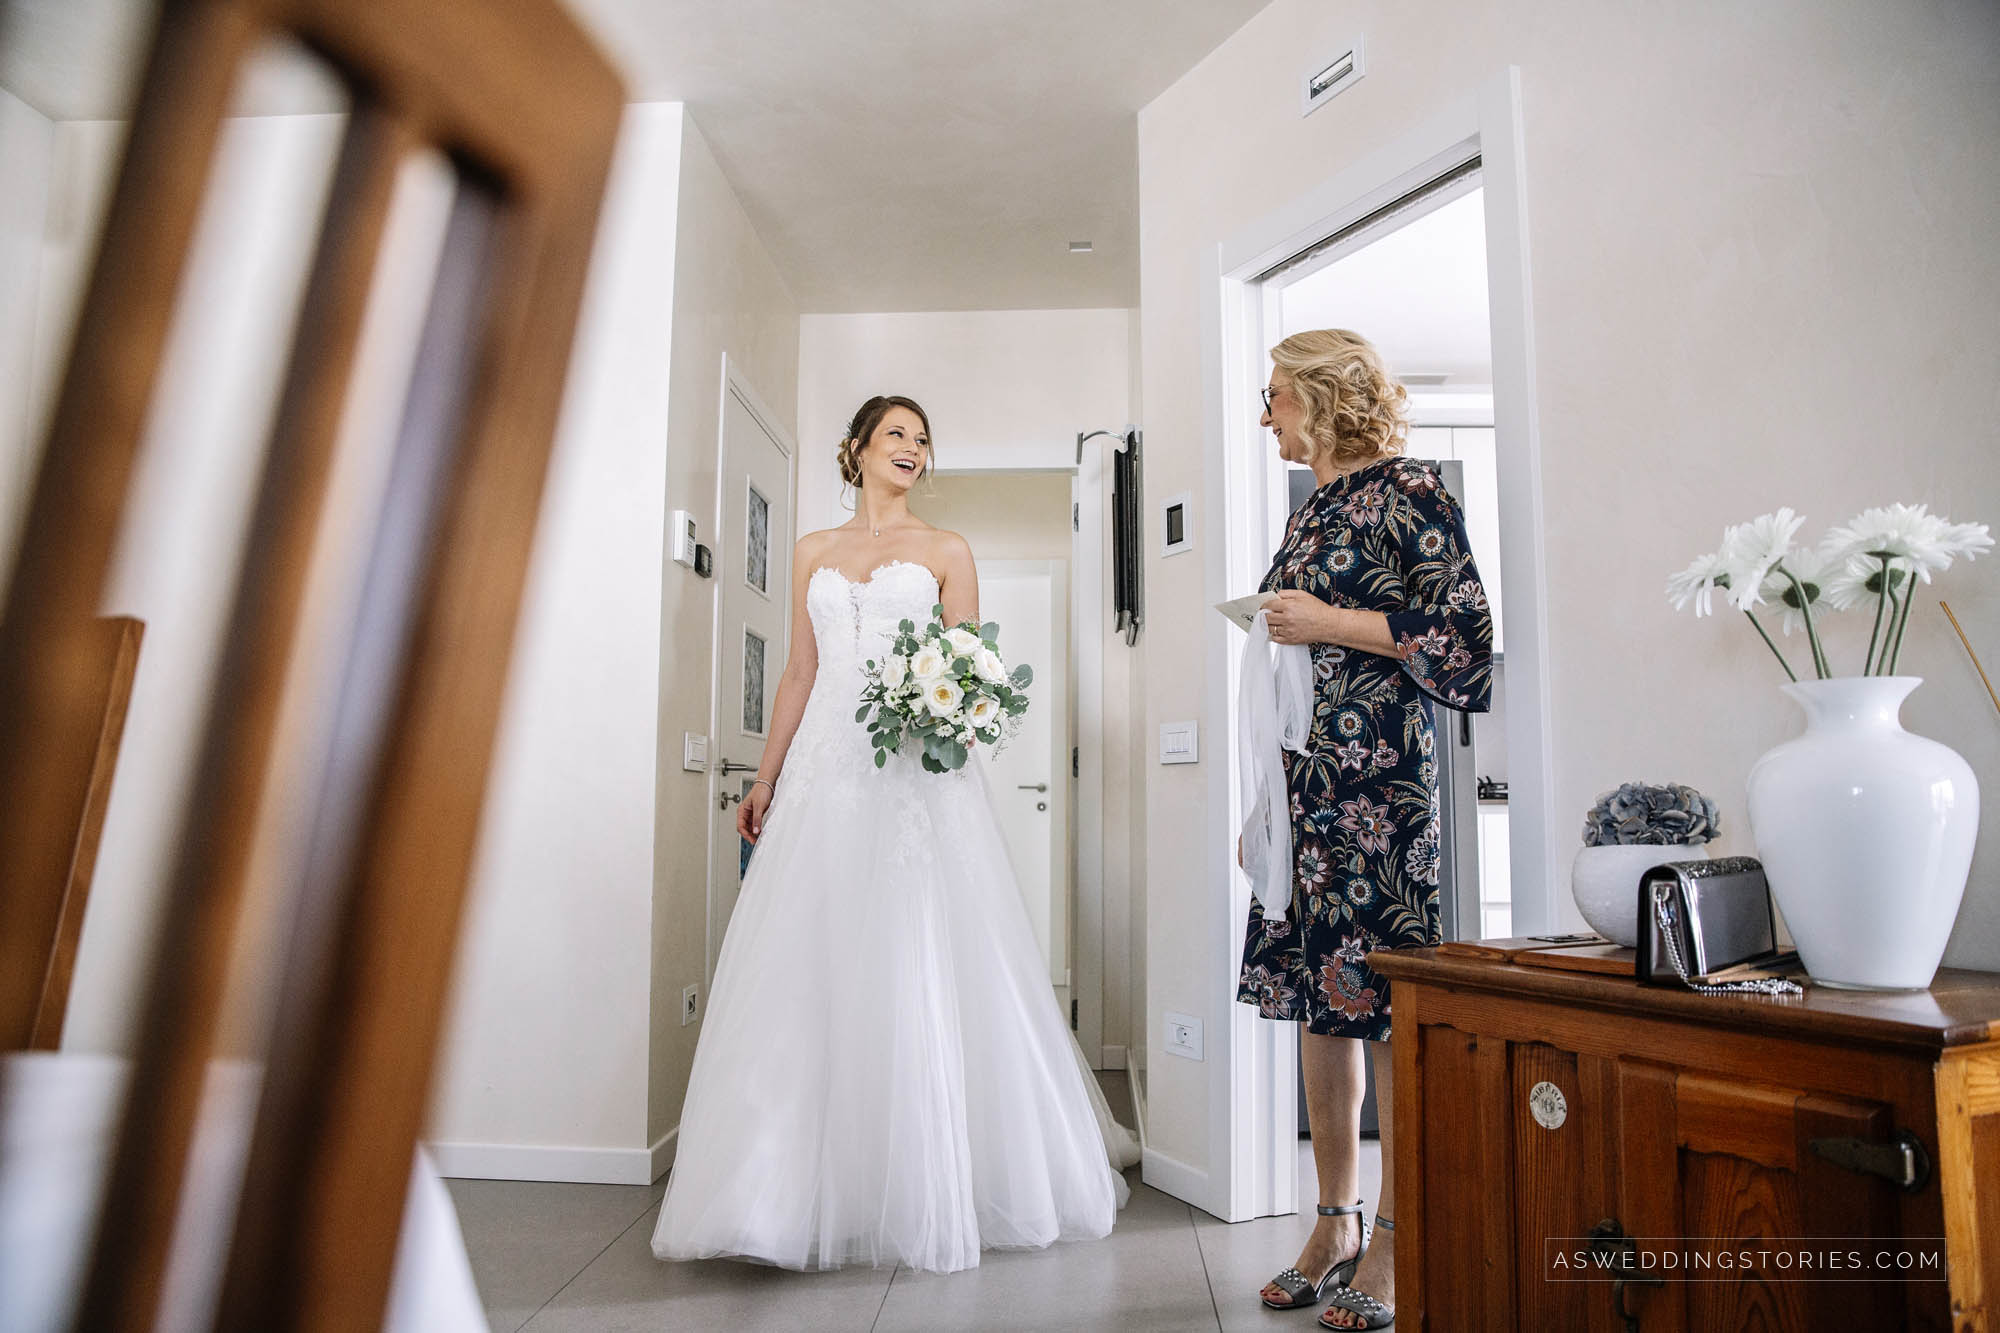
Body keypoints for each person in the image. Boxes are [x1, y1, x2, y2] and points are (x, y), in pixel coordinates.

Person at [652, 394, 1135, 1276]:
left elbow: (973, 667)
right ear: (858, 449)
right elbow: (799, 671)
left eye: (922, 439)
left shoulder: (947, 551)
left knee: (923, 953)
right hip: (825, 778)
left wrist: (948, 703)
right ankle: (773, 1195)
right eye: (896, 435)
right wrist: (764, 777)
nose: (911, 449)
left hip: (919, 775)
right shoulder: (812, 553)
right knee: (810, 960)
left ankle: (928, 1177)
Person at [1240, 331, 1493, 1329]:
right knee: (1320, 994)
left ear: (1319, 396)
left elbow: (1465, 644)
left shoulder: (1410, 490)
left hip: (1379, 782)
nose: (1264, 416)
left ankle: (1396, 1234)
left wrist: (1327, 623)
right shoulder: (1311, 511)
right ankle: (1332, 1222)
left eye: (1274, 398)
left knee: (1387, 995)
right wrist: (1266, 801)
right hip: (1304, 786)